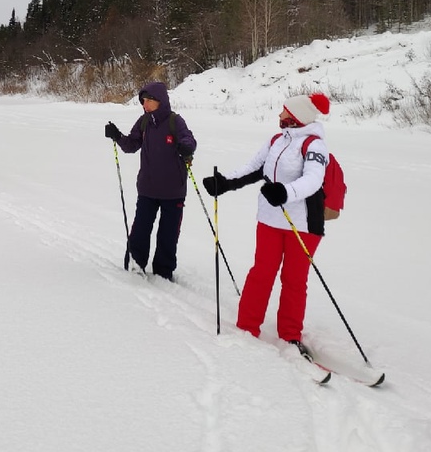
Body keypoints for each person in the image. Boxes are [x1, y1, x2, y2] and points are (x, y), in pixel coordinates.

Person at [202, 92, 331, 351]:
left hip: (303, 224)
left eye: (284, 111)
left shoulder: (314, 145)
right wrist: (225, 182)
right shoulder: (276, 140)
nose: (280, 115)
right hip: (270, 220)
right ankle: (247, 326)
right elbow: (254, 168)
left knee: (294, 280)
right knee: (261, 272)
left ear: (295, 117)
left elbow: (313, 180)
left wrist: (285, 192)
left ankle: (290, 334)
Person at [103, 80, 197, 280]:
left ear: (159, 101)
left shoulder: (175, 121)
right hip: (147, 188)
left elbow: (188, 138)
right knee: (140, 229)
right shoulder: (144, 122)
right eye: (142, 101)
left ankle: (164, 272)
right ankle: (136, 266)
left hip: (173, 191)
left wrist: (187, 147)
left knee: (168, 234)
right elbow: (131, 145)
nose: (144, 105)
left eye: (147, 101)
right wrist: (117, 136)